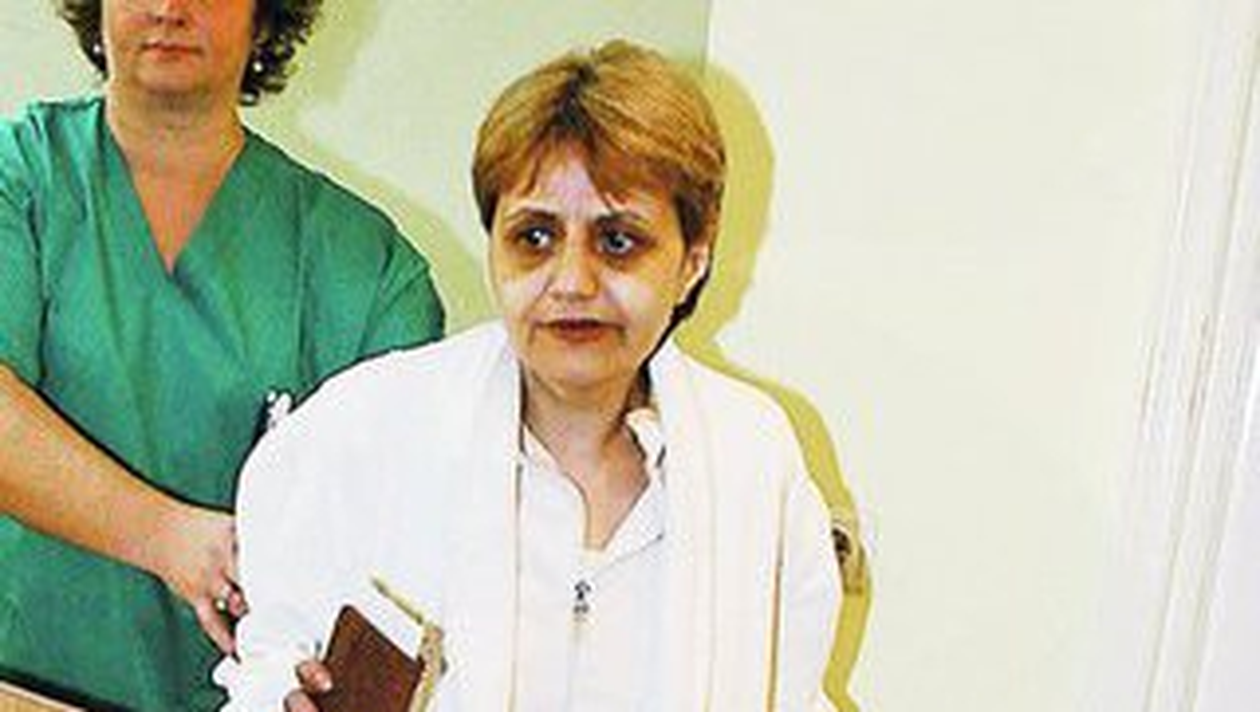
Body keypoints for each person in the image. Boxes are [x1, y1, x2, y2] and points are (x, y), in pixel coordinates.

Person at [220, 40, 841, 711]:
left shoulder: (751, 459)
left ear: (692, 260)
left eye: (618, 241)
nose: (572, 282)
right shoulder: (362, 432)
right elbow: (265, 668)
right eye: (535, 238)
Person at [0, 0, 444, 708]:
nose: (169, 8)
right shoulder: (23, 177)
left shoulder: (369, 271)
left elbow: (397, 552)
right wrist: (167, 537)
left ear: (265, 16)